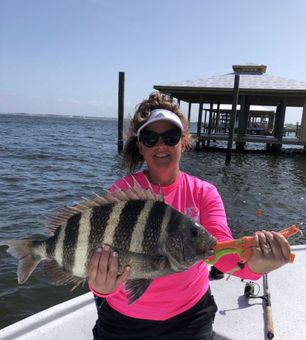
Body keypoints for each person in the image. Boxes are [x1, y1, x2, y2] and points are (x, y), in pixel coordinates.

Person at [88, 92, 291, 340]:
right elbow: (97, 258)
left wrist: (258, 267)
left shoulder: (203, 193)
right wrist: (100, 288)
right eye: (151, 138)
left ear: (183, 142)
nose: (161, 145)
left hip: (189, 320)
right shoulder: (121, 194)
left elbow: (221, 255)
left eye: (170, 137)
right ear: (141, 146)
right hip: (123, 320)